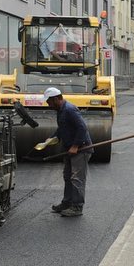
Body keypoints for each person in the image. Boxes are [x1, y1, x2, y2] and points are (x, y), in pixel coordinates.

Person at [46, 87, 93, 217]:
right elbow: (62, 128)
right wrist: (52, 138)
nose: (48, 105)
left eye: (49, 102)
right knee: (68, 177)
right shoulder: (60, 111)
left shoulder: (69, 110)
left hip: (81, 149)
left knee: (77, 178)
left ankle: (77, 207)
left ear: (56, 99)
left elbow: (82, 128)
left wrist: (76, 145)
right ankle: (67, 203)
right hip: (69, 148)